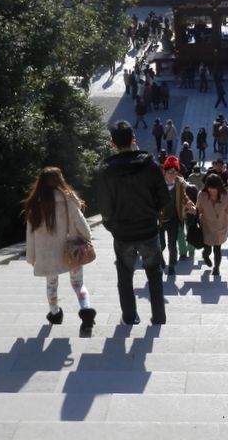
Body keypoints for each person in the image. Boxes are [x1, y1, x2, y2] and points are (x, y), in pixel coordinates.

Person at [96, 120, 169, 325]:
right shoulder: (150, 165)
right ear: (133, 139)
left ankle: (129, 316)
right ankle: (159, 316)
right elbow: (165, 198)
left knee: (125, 274)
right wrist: (153, 212)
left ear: (113, 143)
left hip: (122, 232)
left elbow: (104, 206)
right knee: (154, 272)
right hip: (148, 229)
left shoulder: (106, 170)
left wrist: (112, 226)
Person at [23, 167, 95, 334]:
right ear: (60, 180)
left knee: (51, 284)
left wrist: (31, 256)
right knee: (78, 284)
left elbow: (30, 233)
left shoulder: (36, 203)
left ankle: (55, 313)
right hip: (72, 249)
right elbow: (81, 222)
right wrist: (87, 238)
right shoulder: (68, 199)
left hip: (47, 253)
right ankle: (86, 311)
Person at [192, 173, 228, 276]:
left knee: (217, 249)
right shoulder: (202, 194)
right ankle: (205, 255)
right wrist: (190, 210)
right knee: (208, 249)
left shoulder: (226, 195)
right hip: (206, 227)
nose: (211, 191)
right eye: (210, 189)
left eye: (214, 189)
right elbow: (198, 211)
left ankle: (216, 268)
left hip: (220, 227)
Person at [159, 156, 197, 275]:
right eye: (170, 172)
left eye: (175, 172)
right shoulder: (158, 184)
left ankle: (171, 266)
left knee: (172, 244)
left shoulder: (178, 183)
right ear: (164, 172)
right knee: (161, 244)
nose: (172, 175)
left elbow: (184, 196)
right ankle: (160, 258)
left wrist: (189, 203)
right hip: (160, 219)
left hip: (174, 218)